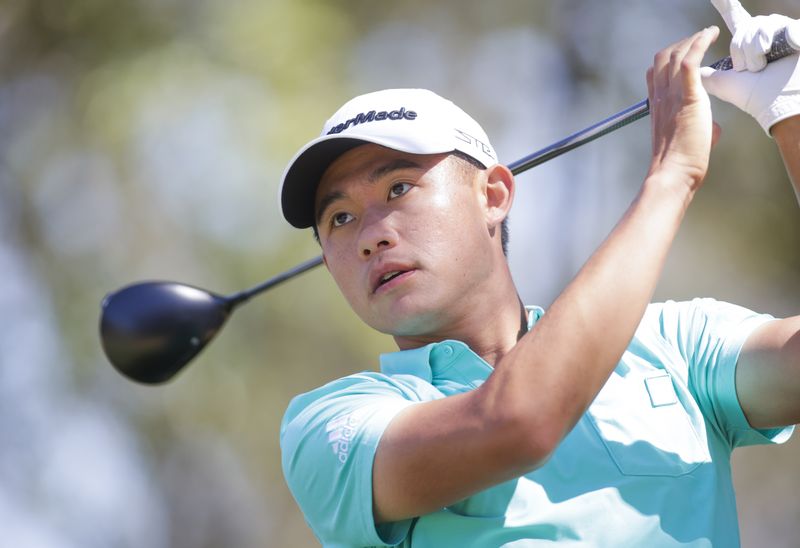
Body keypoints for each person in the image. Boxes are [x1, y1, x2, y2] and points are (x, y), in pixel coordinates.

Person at [278, 2, 800, 546]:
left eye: (398, 189)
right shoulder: (330, 425)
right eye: (340, 219)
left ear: (494, 195)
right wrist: (672, 176)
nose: (371, 236)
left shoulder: (674, 348)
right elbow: (520, 423)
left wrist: (792, 115)